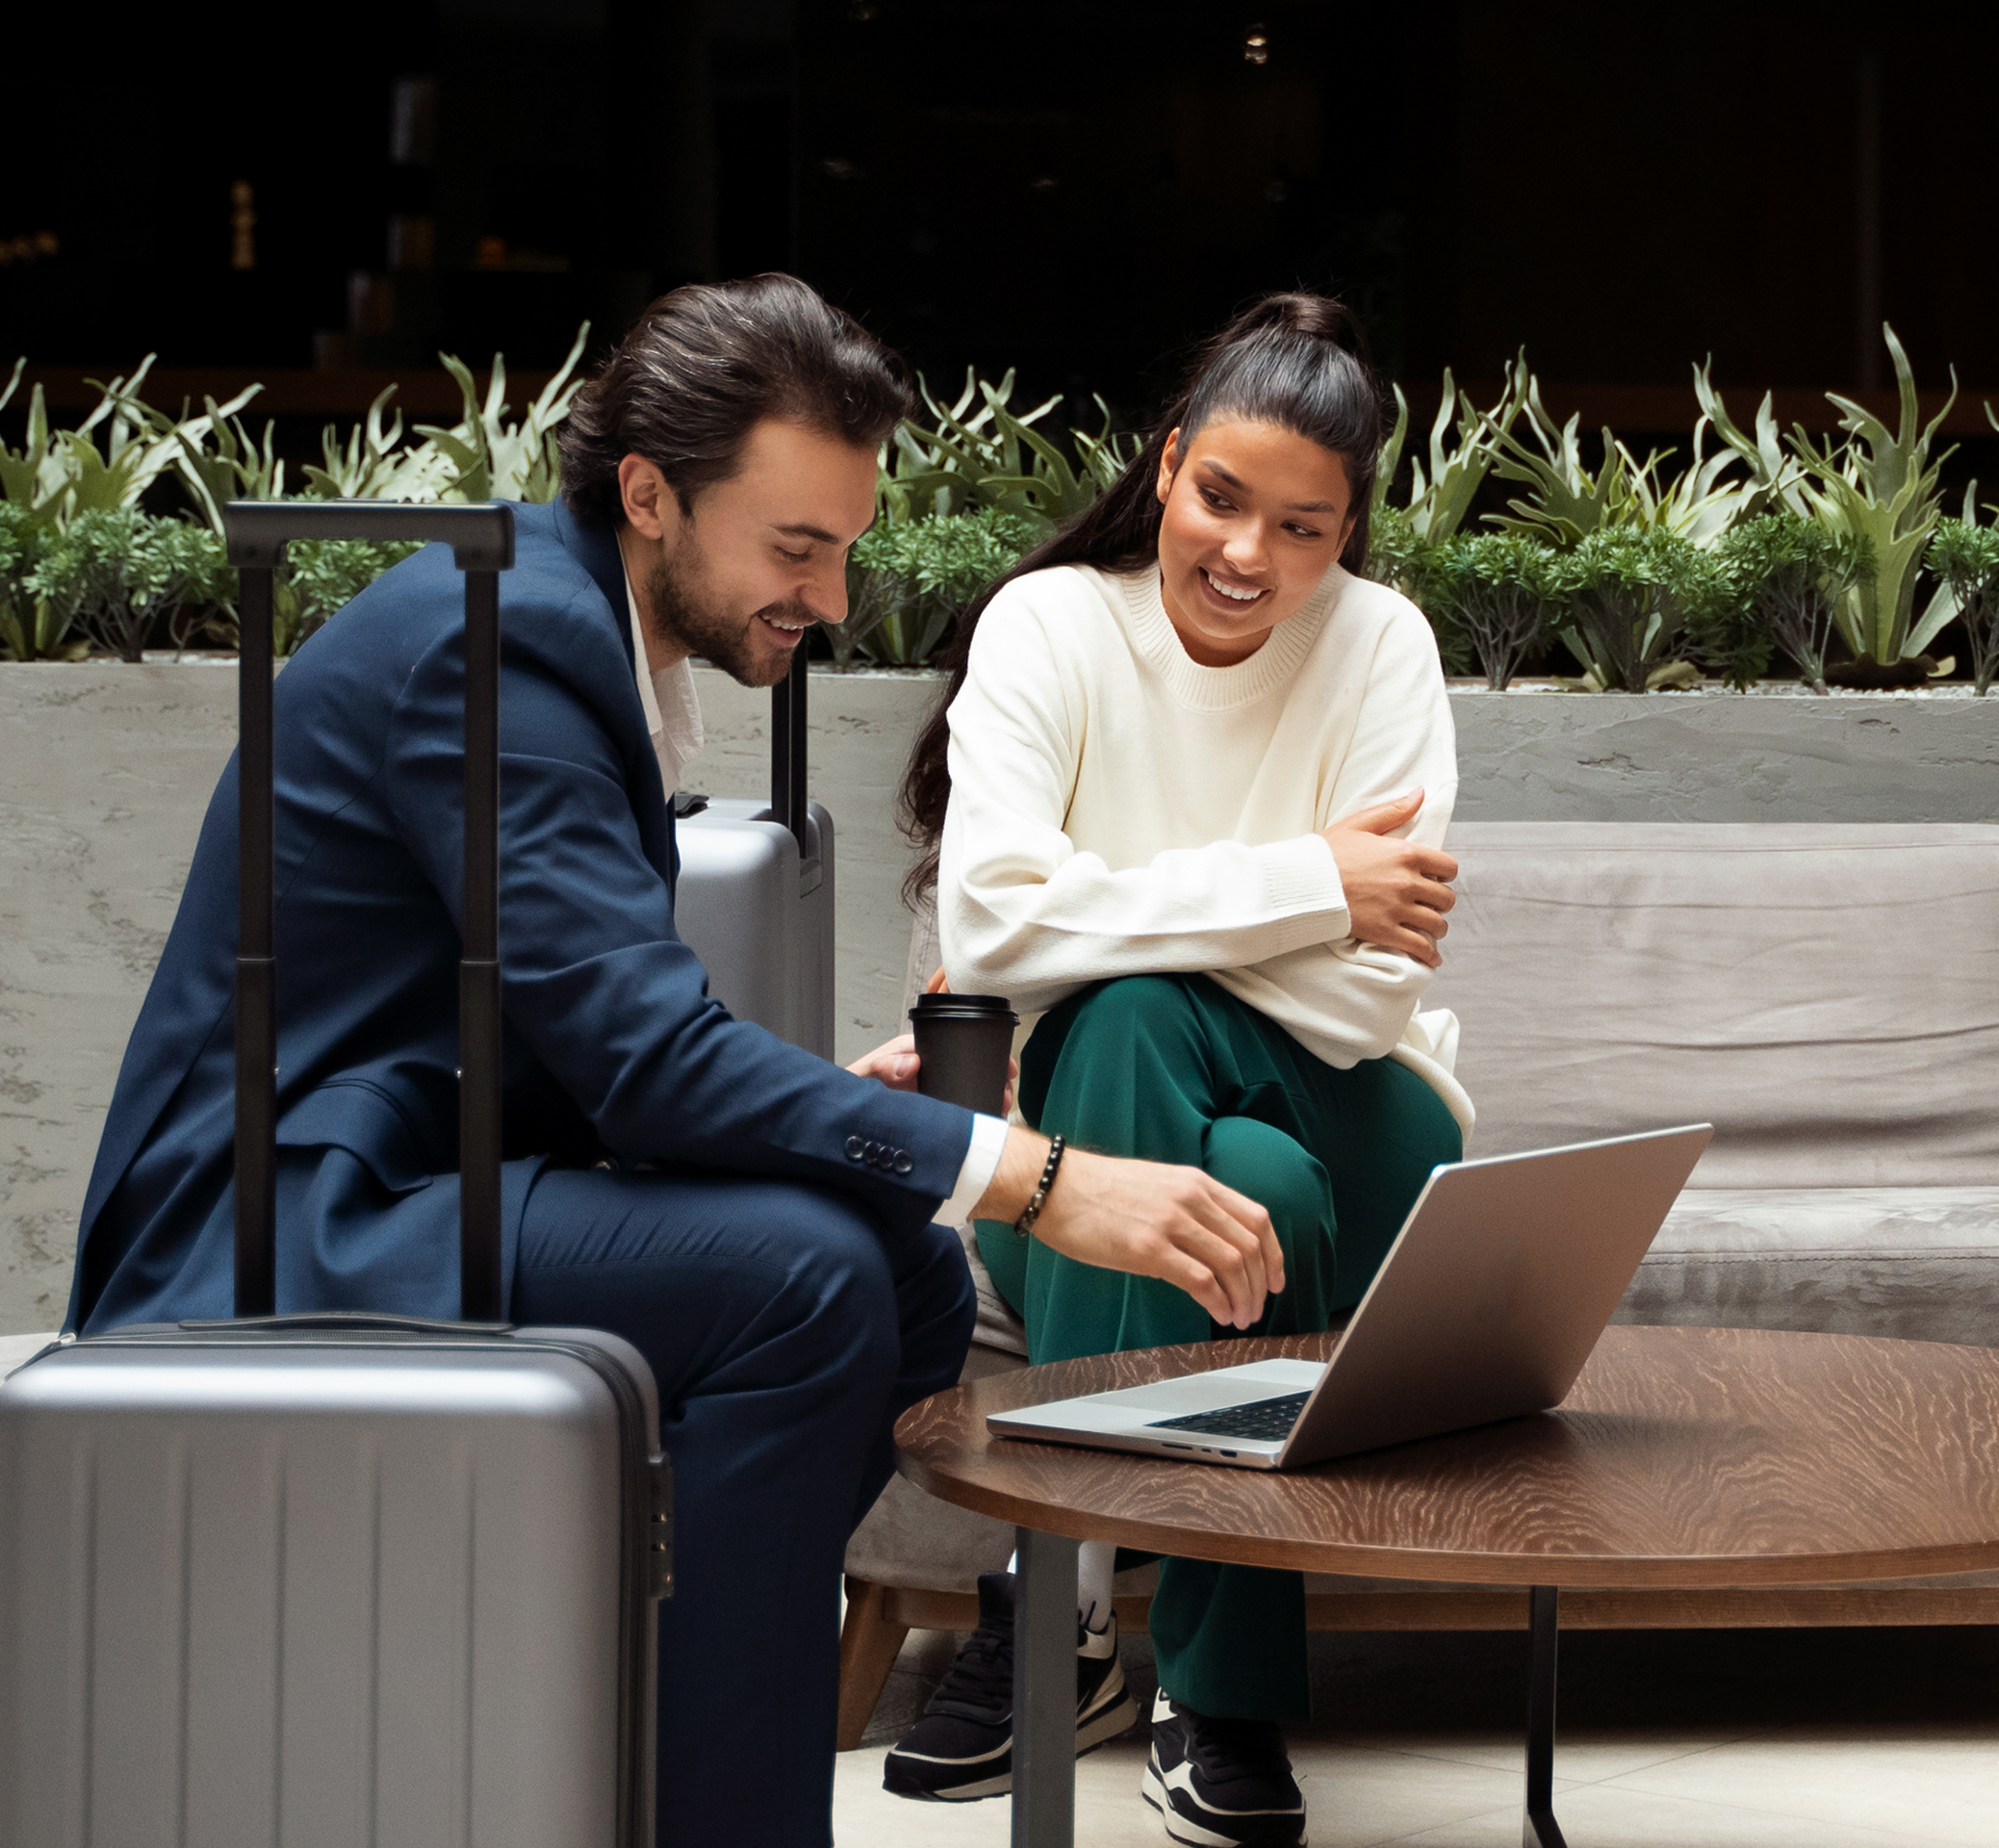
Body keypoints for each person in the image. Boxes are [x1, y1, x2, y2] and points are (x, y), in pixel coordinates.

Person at [64, 273, 1295, 1848]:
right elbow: (642, 1061)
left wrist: (855, 1124)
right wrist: (1036, 1178)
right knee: (806, 1281)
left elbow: (592, 1035)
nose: (833, 599)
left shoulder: (578, 625)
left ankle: (635, 1717)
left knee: (904, 1279)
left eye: (844, 547)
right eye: (797, 548)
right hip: (266, 1222)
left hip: (415, 1173)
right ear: (649, 493)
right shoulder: (498, 641)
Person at [883, 294, 1471, 1846]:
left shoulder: (1382, 648)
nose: (1249, 556)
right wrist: (1310, 881)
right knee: (1226, 1155)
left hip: (1373, 1122)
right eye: (1222, 498)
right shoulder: (1054, 627)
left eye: (1306, 527)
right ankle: (1222, 1692)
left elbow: (1365, 997)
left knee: (1138, 1014)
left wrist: (1099, 923)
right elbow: (991, 918)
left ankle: (1055, 1603)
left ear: (1348, 532)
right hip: (1092, 1147)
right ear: (1165, 469)